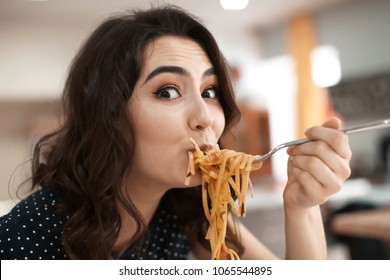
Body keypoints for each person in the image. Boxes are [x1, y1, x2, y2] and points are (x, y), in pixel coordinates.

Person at [0, 5, 351, 260]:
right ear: (107, 114)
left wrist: (302, 206)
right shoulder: (24, 242)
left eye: (210, 91)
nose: (206, 117)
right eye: (167, 91)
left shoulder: (184, 208)